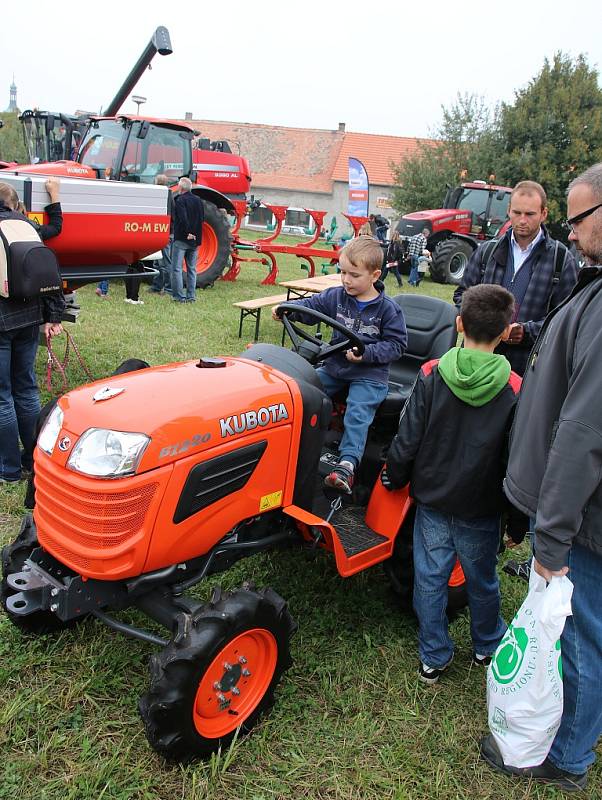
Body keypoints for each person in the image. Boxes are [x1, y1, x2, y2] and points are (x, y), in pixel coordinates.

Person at [480, 163, 602, 794]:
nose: (575, 233)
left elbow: (584, 434)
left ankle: (570, 758)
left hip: (584, 519)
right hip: (577, 511)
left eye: (582, 219)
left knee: (580, 641)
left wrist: (551, 537)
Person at [382, 284, 523, 683]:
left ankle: (434, 655)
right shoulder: (515, 387)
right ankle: (487, 644)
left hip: (433, 499)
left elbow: (407, 435)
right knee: (482, 578)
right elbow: (516, 459)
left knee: (430, 579)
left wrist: (394, 473)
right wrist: (517, 520)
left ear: (459, 323)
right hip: (481, 506)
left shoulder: (431, 372)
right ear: (506, 331)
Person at [272, 236, 407, 494]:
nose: (346, 280)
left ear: (375, 275)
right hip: (335, 368)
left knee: (358, 412)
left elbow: (396, 346)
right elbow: (310, 307)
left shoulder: (388, 310)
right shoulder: (336, 296)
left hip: (370, 374)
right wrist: (287, 308)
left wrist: (366, 353)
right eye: (342, 272)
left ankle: (347, 465)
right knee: (303, 390)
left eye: (354, 275)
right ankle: (290, 445)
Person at [453, 180, 578, 377]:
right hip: (477, 360)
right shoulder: (487, 252)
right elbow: (461, 295)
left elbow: (566, 318)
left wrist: (526, 332)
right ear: (509, 210)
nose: (522, 220)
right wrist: (486, 323)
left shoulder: (560, 260)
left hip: (526, 367)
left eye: (529, 214)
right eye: (517, 212)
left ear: (543, 214)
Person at [0, 178, 65, 484]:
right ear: (13, 204)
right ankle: (32, 460)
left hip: (1, 322)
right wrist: (54, 316)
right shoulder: (28, 227)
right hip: (29, 318)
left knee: (2, 397)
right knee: (26, 389)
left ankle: (9, 470)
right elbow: (48, 271)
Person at [171, 176, 204, 303]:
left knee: (177, 268)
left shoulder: (180, 200)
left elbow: (182, 218)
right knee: (192, 268)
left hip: (182, 239)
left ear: (181, 187)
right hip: (195, 240)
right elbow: (201, 219)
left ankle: (179, 296)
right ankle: (191, 296)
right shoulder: (198, 200)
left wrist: (188, 232)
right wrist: (194, 233)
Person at [149, 174, 174, 295]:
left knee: (164, 262)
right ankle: (156, 286)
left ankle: (168, 288)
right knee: (157, 262)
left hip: (163, 233)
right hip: (162, 232)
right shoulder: (169, 194)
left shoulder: (164, 195)